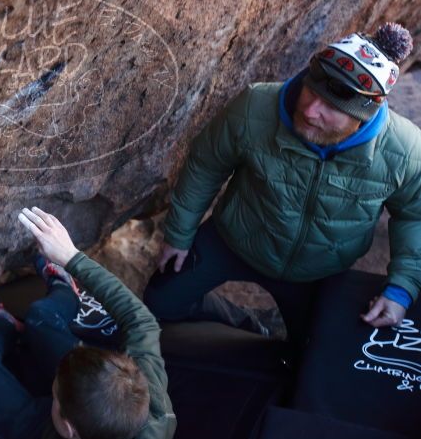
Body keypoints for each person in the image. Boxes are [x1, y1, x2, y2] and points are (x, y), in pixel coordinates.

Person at [144, 22, 418, 354]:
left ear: (364, 114)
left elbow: (414, 215)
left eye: (332, 107)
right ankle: (238, 322)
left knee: (311, 355)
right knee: (160, 302)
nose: (310, 109)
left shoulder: (404, 150)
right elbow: (206, 164)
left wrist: (401, 288)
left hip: (319, 270)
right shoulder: (255, 106)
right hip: (235, 239)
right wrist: (179, 234)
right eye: (311, 91)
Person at [0, 206, 176, 439]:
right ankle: (63, 288)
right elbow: (141, 321)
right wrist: (71, 257)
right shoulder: (154, 409)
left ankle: (4, 329)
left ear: (68, 429)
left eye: (55, 394)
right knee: (40, 318)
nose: (52, 389)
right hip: (78, 418)